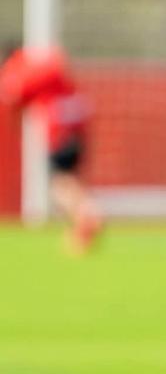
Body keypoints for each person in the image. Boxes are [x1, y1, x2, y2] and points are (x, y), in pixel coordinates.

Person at [0, 39, 102, 253]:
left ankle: (87, 213)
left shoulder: (18, 71)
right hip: (79, 125)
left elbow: (15, 100)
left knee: (59, 186)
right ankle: (81, 233)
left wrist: (16, 124)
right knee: (70, 179)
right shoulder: (46, 64)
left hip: (59, 130)